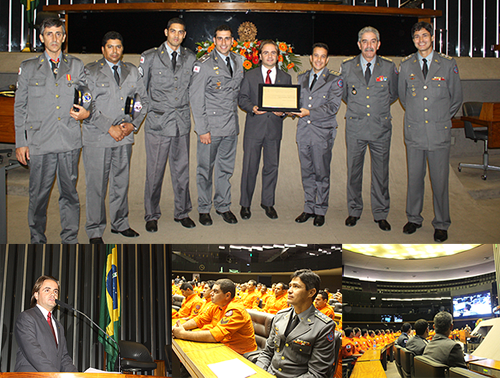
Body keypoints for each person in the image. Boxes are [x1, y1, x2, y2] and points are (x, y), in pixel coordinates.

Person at [14, 18, 89, 244]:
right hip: (40, 143)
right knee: (38, 196)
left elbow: (86, 96)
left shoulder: (76, 65)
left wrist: (87, 111)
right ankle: (37, 238)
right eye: (49, 34)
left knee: (69, 195)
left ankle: (70, 238)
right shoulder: (28, 68)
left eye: (58, 34)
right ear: (41, 37)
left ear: (64, 37)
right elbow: (20, 107)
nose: (54, 39)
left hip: (68, 141)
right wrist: (21, 142)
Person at [399, 21, 463, 242]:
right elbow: (404, 97)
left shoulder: (447, 64)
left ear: (432, 37)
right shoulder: (406, 66)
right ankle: (414, 218)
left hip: (438, 132)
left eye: (424, 36)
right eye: (416, 37)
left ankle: (442, 222)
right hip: (415, 131)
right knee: (414, 179)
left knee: (440, 180)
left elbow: (455, 99)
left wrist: (440, 118)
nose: (421, 40)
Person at [83, 31, 147, 244]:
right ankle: (94, 230)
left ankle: (120, 223)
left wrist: (132, 124)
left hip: (124, 136)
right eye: (110, 46)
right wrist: (108, 127)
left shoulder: (131, 71)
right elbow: (86, 106)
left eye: (118, 46)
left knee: (120, 183)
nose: (114, 51)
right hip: (99, 137)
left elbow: (142, 101)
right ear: (103, 49)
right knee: (96, 185)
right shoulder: (90, 71)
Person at [140, 17, 197, 232]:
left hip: (181, 124)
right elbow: (141, 92)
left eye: (180, 32)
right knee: (154, 173)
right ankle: (151, 214)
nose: (176, 35)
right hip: (157, 124)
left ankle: (182, 212)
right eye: (173, 31)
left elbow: (194, 90)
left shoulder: (191, 58)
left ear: (184, 35)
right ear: (166, 32)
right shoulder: (150, 57)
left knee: (181, 171)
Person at [341, 26, 398, 231]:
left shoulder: (389, 67)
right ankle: (354, 210)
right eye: (364, 41)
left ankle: (381, 213)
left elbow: (393, 94)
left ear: (378, 44)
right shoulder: (347, 67)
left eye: (373, 41)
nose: (369, 45)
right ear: (359, 44)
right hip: (355, 127)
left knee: (381, 173)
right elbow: (345, 95)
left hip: (380, 127)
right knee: (354, 172)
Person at [190, 25, 244, 226]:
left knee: (225, 169)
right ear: (214, 40)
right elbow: (195, 99)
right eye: (220, 38)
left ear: (232, 41)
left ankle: (223, 205)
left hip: (231, 127)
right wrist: (202, 129)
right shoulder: (203, 64)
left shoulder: (239, 61)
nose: (223, 42)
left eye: (227, 39)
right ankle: (204, 209)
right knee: (205, 169)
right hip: (210, 128)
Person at [238, 40, 291, 220]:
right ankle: (245, 204)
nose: (270, 56)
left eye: (273, 53)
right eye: (266, 53)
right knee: (249, 167)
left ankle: (268, 203)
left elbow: (289, 103)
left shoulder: (285, 78)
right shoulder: (250, 75)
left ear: (278, 56)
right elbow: (242, 98)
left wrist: (283, 112)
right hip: (254, 128)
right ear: (260, 56)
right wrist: (252, 107)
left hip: (274, 130)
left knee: (271, 167)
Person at [292, 43, 343, 227]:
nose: (319, 59)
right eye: (316, 56)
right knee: (306, 172)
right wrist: (286, 109)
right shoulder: (301, 77)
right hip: (304, 133)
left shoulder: (335, 80)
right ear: (311, 58)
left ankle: (320, 210)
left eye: (323, 56)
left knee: (321, 173)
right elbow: (295, 102)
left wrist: (308, 112)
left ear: (327, 59)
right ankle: (308, 207)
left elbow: (332, 107)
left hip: (322, 133)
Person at [256, 269, 336, 378]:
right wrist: (259, 373)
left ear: (311, 292)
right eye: (290, 286)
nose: (289, 290)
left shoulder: (324, 326)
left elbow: (316, 373)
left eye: (296, 287)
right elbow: (267, 353)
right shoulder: (280, 316)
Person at [172, 279, 257, 355]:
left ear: (227, 296)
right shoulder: (216, 305)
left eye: (216, 291)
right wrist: (178, 327)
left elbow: (215, 336)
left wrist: (182, 334)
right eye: (212, 291)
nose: (211, 294)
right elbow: (199, 319)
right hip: (221, 345)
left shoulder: (236, 310)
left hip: (239, 353)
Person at [14, 275, 78, 372]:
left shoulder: (58, 326)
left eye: (55, 291)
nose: (53, 294)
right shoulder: (26, 318)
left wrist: (77, 376)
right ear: (36, 295)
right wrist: (55, 375)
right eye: (47, 290)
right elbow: (33, 352)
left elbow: (64, 358)